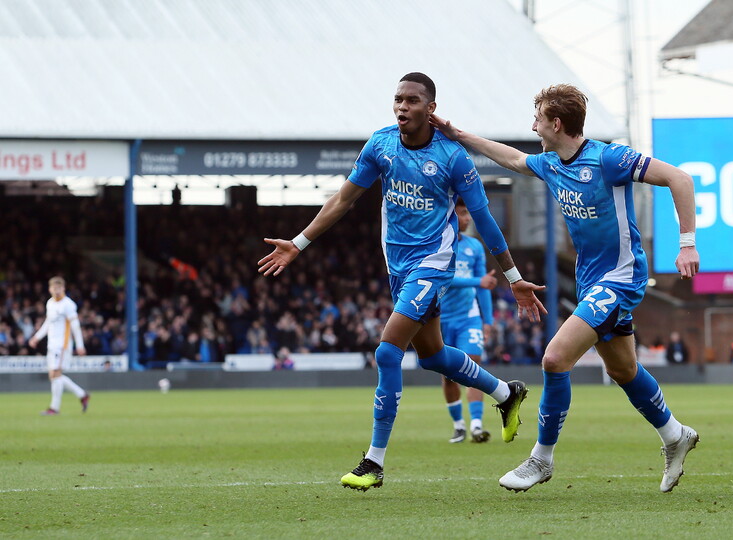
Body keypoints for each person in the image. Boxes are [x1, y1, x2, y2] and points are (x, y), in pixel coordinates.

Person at [257, 72, 546, 491]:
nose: (402, 107)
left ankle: (373, 462)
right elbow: (344, 199)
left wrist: (514, 277)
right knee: (431, 357)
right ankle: (506, 393)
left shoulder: (453, 158)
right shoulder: (381, 145)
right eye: (398, 99)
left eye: (412, 100)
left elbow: (484, 219)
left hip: (433, 264)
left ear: (431, 109)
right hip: (398, 266)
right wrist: (299, 244)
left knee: (387, 352)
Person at [431, 83, 700, 493]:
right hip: (592, 280)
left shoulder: (609, 158)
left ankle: (541, 458)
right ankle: (675, 435)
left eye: (537, 117)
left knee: (555, 359)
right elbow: (515, 160)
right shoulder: (552, 163)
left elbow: (679, 178)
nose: (532, 124)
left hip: (621, 278)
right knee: (623, 370)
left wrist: (687, 243)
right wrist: (460, 135)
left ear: (556, 123)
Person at [440, 198, 497, 443]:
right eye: (463, 214)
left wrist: (488, 320)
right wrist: (478, 282)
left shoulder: (475, 246)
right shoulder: (438, 245)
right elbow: (443, 279)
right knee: (448, 375)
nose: (467, 218)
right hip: (440, 319)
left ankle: (476, 425)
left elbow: (484, 286)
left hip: (469, 317)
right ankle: (459, 425)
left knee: (473, 367)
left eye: (467, 213)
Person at [28, 276, 90, 415]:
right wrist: (36, 337)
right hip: (52, 344)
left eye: (59, 288)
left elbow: (75, 326)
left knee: (55, 374)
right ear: (50, 289)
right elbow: (48, 323)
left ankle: (54, 408)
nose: (56, 291)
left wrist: (80, 345)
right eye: (54, 288)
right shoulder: (50, 303)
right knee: (54, 376)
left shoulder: (68, 305)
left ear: (63, 289)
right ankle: (82, 395)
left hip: (63, 345)